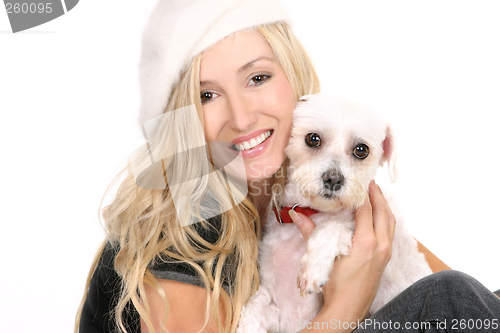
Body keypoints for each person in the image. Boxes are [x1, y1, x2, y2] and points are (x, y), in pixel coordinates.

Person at [75, 1, 500, 332]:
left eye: (257, 78)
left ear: (294, 78)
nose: (241, 118)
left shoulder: (308, 187)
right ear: (182, 120)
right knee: (450, 296)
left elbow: (476, 309)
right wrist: (342, 307)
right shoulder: (179, 237)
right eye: (206, 96)